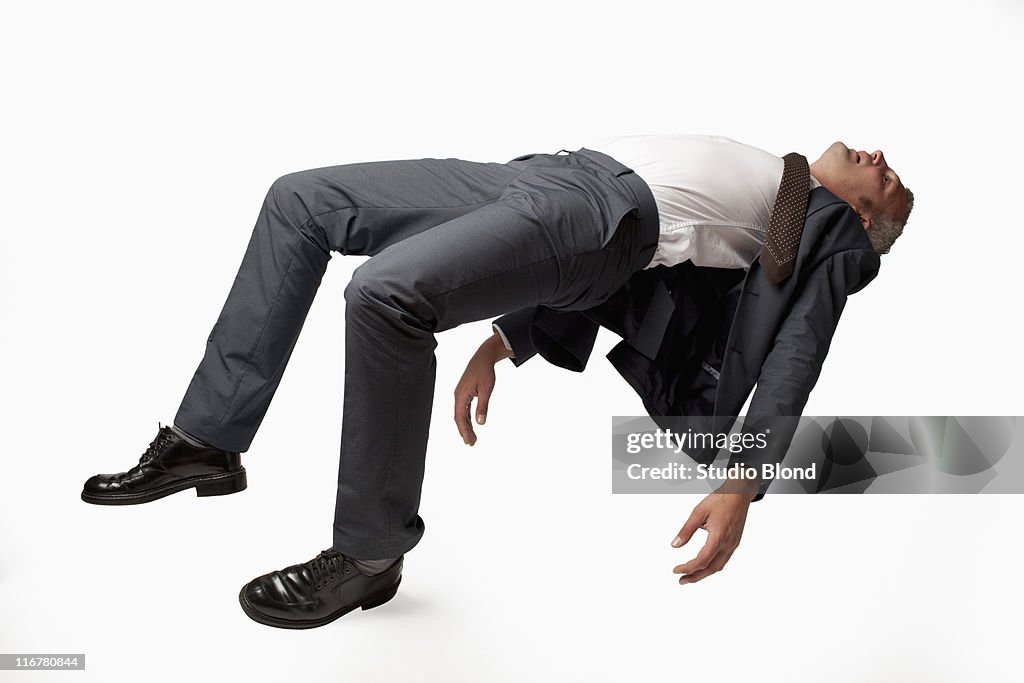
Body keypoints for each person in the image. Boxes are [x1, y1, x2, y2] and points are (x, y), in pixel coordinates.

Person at [81, 134, 914, 629]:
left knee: (382, 297)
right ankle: (205, 440)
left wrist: (743, 479)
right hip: (544, 176)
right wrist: (508, 340)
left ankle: (368, 550)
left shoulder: (828, 235)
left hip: (598, 215)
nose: (876, 154)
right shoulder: (786, 185)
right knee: (302, 200)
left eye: (886, 177)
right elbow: (645, 289)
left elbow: (796, 346)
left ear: (868, 220)